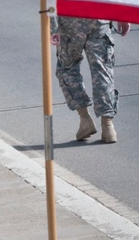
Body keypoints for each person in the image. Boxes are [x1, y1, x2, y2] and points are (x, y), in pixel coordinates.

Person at [52, 16, 129, 144]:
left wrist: (52, 29)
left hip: (70, 22)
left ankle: (84, 118)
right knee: (102, 70)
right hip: (98, 19)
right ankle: (107, 125)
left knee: (67, 68)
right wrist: (123, 15)